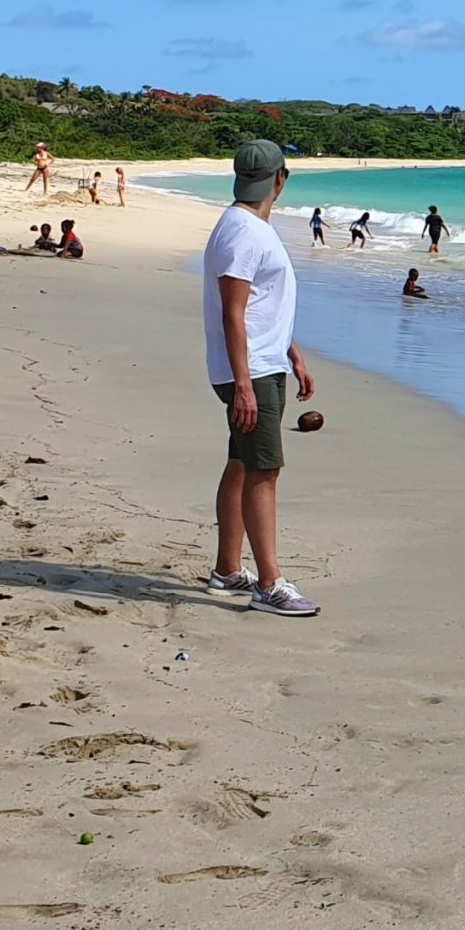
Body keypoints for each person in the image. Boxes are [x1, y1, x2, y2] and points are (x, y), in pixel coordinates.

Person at [202, 139, 318, 616]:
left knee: (243, 464)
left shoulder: (247, 226)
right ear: (280, 179)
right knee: (264, 471)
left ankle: (228, 570)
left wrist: (292, 351)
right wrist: (245, 384)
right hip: (251, 371)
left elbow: (261, 306)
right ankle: (268, 584)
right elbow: (233, 314)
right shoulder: (244, 233)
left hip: (264, 362)